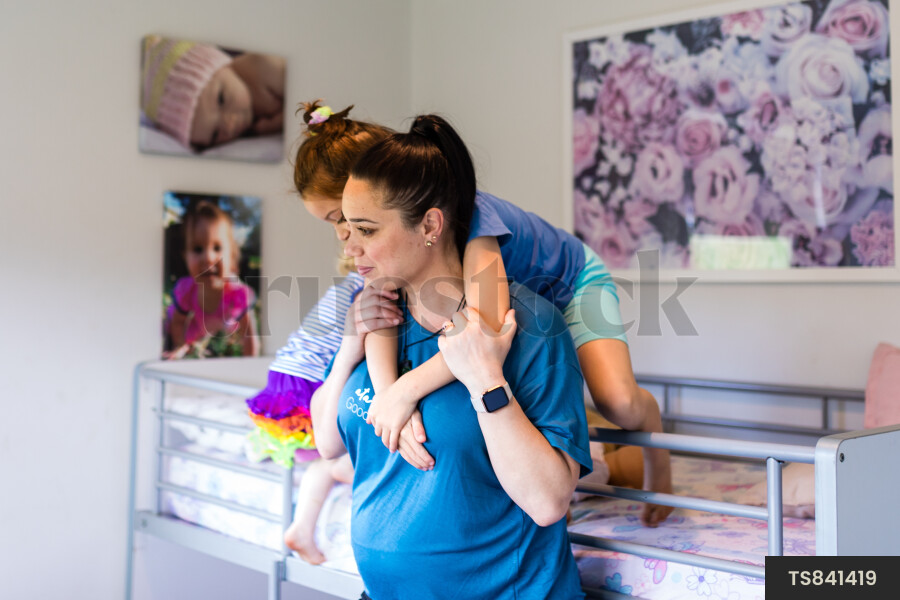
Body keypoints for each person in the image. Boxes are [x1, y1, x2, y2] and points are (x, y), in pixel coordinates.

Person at [310, 115, 593, 598]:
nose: (351, 247)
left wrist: (485, 379)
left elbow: (548, 501)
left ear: (430, 225)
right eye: (345, 228)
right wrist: (345, 353)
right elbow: (329, 442)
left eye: (367, 229)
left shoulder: (529, 327)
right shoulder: (376, 317)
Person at [141, 35, 285, 151]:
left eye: (221, 100)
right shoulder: (251, 129)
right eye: (215, 134)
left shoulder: (263, 66)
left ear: (224, 65)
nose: (229, 126)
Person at [164, 200, 259, 359]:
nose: (208, 258)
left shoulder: (238, 293)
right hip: (196, 327)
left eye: (217, 248)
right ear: (185, 257)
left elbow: (249, 333)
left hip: (224, 326)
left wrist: (250, 361)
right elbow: (178, 322)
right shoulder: (186, 290)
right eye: (197, 249)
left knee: (226, 332)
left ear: (232, 258)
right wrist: (179, 347)